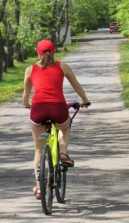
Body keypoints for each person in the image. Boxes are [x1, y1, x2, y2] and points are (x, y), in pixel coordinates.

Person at [22, 39, 90, 198]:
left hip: (38, 109)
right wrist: (85, 100)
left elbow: (25, 94)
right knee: (64, 128)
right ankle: (63, 153)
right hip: (58, 108)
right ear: (54, 52)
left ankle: (39, 188)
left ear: (38, 53)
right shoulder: (63, 66)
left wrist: (26, 104)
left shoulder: (29, 69)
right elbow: (77, 86)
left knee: (38, 149)